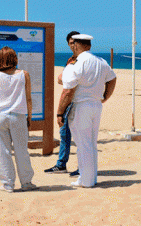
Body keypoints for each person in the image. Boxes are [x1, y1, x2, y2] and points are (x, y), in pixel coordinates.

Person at [57, 34, 117, 188]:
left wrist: (60, 112)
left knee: (83, 144)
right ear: (89, 46)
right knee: (91, 143)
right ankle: (89, 177)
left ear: (76, 45)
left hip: (82, 106)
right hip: (96, 106)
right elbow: (112, 78)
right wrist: (105, 96)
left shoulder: (76, 64)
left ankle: (87, 180)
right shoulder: (101, 61)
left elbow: (67, 92)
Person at [0, 46, 36, 192]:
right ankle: (26, 182)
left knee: (2, 151)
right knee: (21, 150)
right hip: (18, 115)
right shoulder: (24, 74)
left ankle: (7, 183)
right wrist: (29, 116)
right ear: (15, 58)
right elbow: (28, 98)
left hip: (1, 115)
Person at [45, 31, 80, 174]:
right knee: (64, 133)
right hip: (69, 101)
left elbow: (65, 79)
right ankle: (61, 164)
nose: (74, 45)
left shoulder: (83, 60)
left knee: (79, 135)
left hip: (77, 101)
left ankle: (81, 166)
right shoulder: (70, 59)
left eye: (76, 42)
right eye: (71, 43)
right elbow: (61, 79)